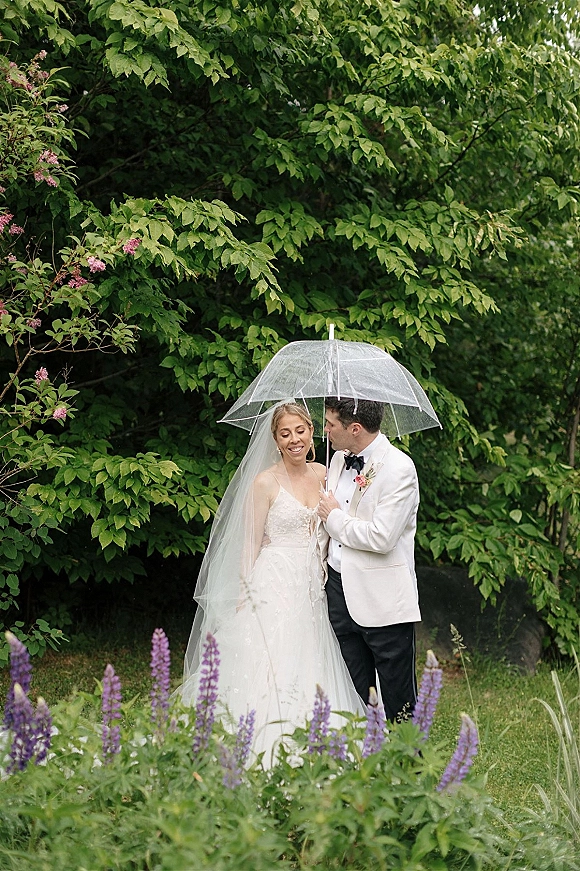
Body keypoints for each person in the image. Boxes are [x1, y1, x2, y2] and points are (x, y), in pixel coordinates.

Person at [181, 402, 363, 764]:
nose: (294, 439)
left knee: (310, 656)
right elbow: (250, 543)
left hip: (313, 586)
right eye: (285, 434)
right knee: (268, 658)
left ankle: (315, 742)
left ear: (312, 431)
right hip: (273, 581)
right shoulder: (264, 482)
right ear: (276, 440)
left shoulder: (325, 473)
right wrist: (244, 593)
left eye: (300, 431)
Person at [317, 398, 420, 722]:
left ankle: (407, 767)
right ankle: (359, 764)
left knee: (397, 697)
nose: (326, 430)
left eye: (331, 424)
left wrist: (334, 518)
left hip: (383, 599)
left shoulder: (399, 469)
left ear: (355, 429)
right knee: (351, 689)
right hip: (337, 588)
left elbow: (382, 537)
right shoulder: (336, 461)